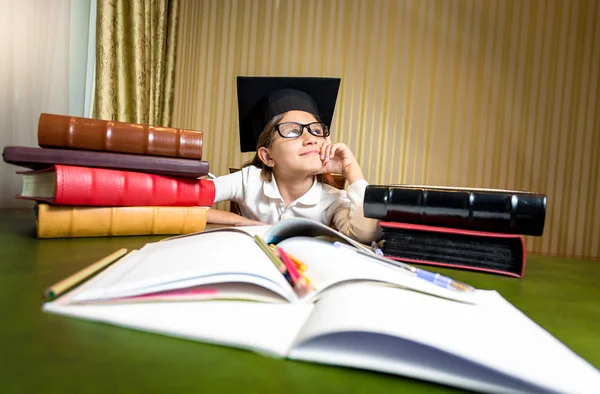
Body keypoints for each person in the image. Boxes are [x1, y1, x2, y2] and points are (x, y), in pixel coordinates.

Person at [205, 76, 380, 244]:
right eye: (292, 132)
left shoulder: (332, 199)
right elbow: (185, 203)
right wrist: (240, 222)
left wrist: (351, 169)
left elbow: (365, 234)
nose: (310, 138)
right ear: (267, 156)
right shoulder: (248, 180)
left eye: (317, 131)